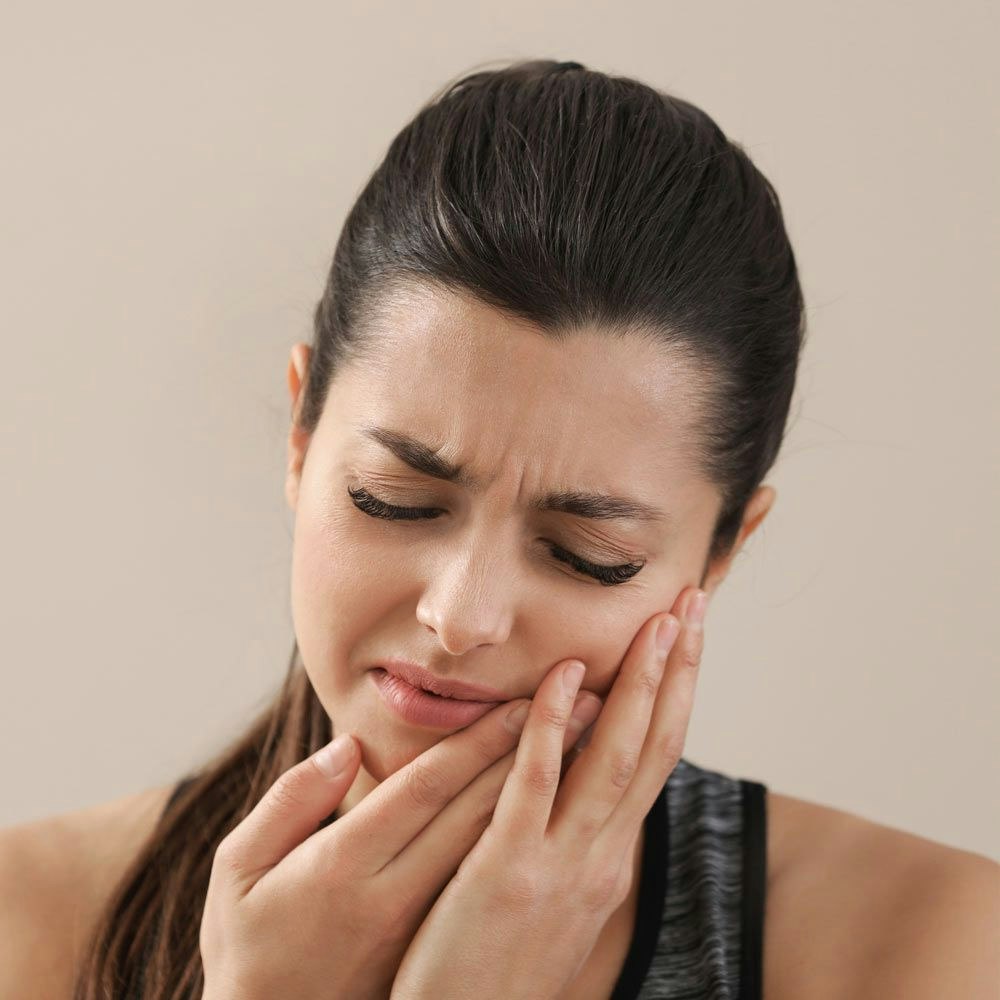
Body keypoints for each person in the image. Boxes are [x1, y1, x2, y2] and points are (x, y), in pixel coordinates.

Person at [2, 58, 997, 1000]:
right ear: (302, 438)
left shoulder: (926, 943)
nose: (459, 615)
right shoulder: (32, 921)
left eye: (585, 555)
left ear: (723, 550)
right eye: (394, 499)